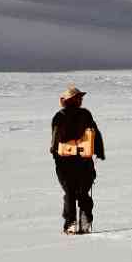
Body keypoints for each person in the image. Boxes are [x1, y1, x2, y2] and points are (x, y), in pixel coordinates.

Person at [50, 85, 105, 234]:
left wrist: (54, 153)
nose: (81, 100)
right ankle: (85, 221)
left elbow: (55, 139)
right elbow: (95, 133)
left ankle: (71, 224)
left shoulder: (59, 116)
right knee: (83, 192)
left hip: (64, 161)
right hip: (84, 160)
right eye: (79, 97)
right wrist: (99, 152)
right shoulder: (85, 114)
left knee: (70, 192)